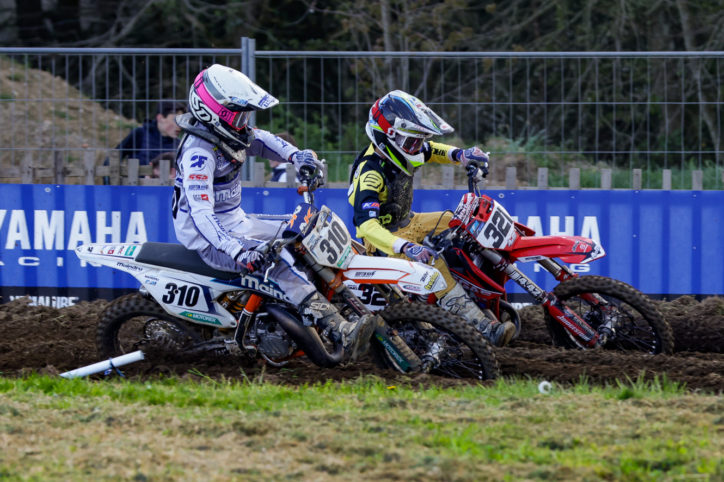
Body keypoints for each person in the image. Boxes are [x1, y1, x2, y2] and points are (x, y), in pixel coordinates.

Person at [173, 64, 374, 361]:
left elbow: (263, 139)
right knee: (277, 264)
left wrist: (298, 156)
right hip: (211, 238)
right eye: (238, 115)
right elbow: (201, 213)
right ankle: (338, 328)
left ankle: (330, 302)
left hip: (235, 222)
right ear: (212, 112)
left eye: (245, 114)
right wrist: (238, 251)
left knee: (309, 232)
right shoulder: (199, 154)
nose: (244, 122)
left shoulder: (229, 133)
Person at [347, 89, 516, 347]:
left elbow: (430, 149)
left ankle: (475, 297)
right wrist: (406, 247)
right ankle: (482, 326)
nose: (417, 147)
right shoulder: (371, 174)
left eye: (417, 141)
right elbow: (366, 225)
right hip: (384, 241)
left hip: (408, 222)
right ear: (387, 135)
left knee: (460, 222)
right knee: (433, 264)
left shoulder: (403, 148)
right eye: (411, 142)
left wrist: (460, 155)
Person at [116, 100, 186, 165]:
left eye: (182, 122)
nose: (180, 126)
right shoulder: (140, 134)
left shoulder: (180, 145)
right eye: (176, 120)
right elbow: (114, 156)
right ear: (160, 118)